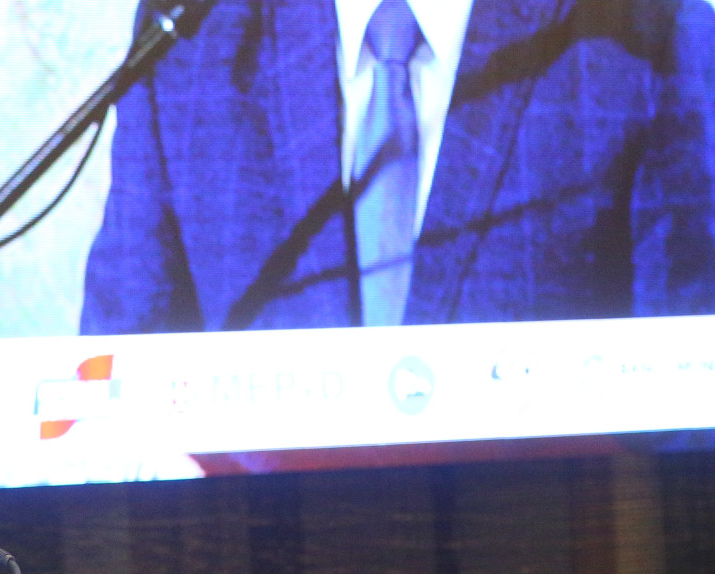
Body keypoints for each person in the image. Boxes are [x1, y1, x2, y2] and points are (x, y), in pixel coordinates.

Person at [82, 0, 715, 335]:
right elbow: (120, 369)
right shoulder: (191, 37)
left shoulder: (645, 34)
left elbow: (686, 395)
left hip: (545, 529)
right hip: (255, 535)